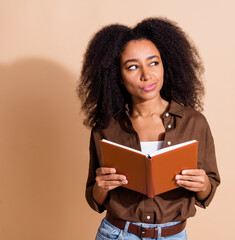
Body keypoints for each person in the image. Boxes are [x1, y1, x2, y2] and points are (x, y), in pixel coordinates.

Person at [77, 17, 220, 240]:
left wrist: (202, 184)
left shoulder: (194, 122)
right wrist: (101, 186)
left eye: (154, 62)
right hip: (117, 235)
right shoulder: (105, 127)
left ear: (166, 64)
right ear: (119, 77)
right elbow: (95, 198)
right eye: (132, 67)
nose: (147, 75)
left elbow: (208, 189)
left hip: (173, 235)